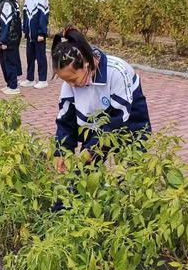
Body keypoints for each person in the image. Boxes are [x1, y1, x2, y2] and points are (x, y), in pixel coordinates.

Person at [52, 27, 152, 173]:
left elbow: (118, 119)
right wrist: (62, 151)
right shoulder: (70, 84)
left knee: (129, 177)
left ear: (86, 64)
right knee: (81, 177)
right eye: (66, 81)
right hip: (96, 129)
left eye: (73, 79)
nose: (71, 85)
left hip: (128, 127)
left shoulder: (117, 71)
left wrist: (92, 149)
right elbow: (66, 121)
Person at [21, 0, 49, 89]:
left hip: (38, 35)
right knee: (30, 56)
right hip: (30, 34)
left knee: (41, 57)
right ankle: (30, 79)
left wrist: (41, 33)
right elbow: (25, 15)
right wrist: (25, 30)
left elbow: (44, 17)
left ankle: (43, 79)